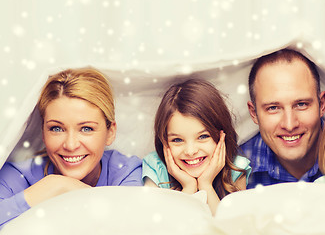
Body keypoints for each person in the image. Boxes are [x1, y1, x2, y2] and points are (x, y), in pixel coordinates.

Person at [0, 68, 143, 228]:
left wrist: (70, 189)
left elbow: (130, 225)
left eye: (86, 129)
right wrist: (52, 186)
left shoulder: (127, 171)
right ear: (43, 132)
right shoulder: (16, 175)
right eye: (56, 128)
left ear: (110, 132)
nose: (70, 145)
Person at [142, 78, 251, 215]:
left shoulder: (236, 169)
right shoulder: (155, 168)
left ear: (221, 136)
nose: (190, 151)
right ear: (164, 141)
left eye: (203, 136)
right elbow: (165, 228)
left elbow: (229, 229)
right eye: (177, 140)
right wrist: (189, 187)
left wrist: (206, 185)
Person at [240, 48, 325, 188]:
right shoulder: (235, 168)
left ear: (321, 105)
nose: (289, 125)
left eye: (301, 104)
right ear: (254, 113)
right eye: (273, 108)